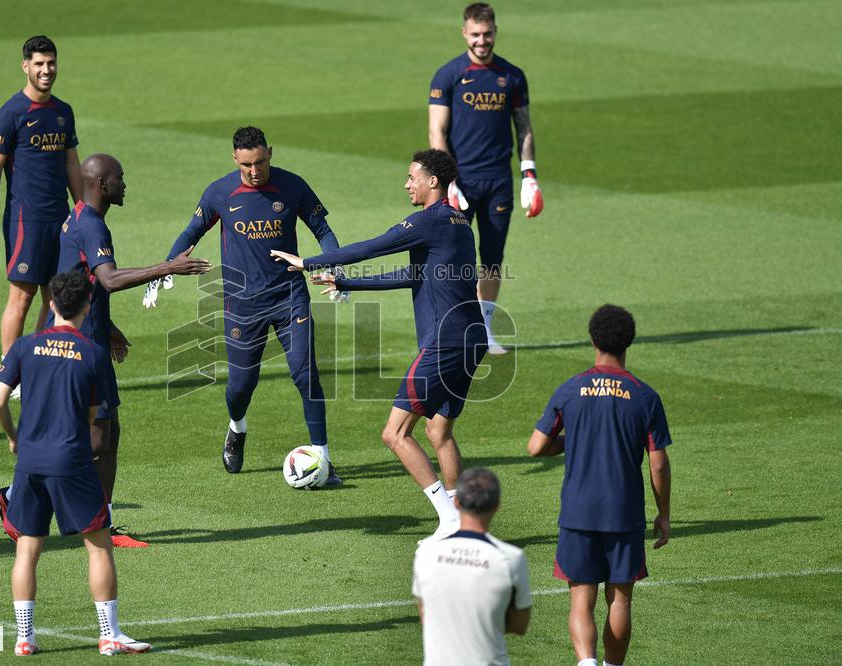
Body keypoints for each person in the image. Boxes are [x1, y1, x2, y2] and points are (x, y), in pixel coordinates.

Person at [0, 154, 212, 549]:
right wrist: (167, 268)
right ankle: (22, 497)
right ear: (103, 184)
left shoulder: (75, 217)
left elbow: (75, 280)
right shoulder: (92, 226)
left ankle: (97, 520)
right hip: (83, 347)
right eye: (120, 179)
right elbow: (107, 279)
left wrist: (107, 326)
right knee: (95, 440)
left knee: (106, 437)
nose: (125, 185)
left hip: (88, 334)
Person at [271, 148, 486, 540]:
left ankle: (450, 520)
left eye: (412, 177)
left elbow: (374, 246)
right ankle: (465, 521)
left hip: (444, 344)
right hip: (472, 340)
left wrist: (311, 262)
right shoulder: (459, 222)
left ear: (432, 181)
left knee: (395, 433)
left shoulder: (429, 220)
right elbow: (413, 273)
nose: (407, 184)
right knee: (439, 433)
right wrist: (347, 282)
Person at [145, 126, 346, 484]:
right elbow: (191, 234)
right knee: (241, 386)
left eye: (261, 162)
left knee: (306, 376)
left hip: (289, 297)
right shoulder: (219, 192)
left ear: (270, 152)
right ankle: (237, 429)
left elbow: (322, 230)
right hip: (242, 304)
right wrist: (163, 271)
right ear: (235, 158)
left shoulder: (292, 185)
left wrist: (335, 265)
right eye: (247, 165)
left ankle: (324, 460)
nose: (255, 171)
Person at [0, 271, 151, 656]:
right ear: (86, 307)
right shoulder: (94, 354)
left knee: (28, 548)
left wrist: (14, 437)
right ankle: (110, 634)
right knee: (98, 547)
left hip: (30, 462)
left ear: (51, 305)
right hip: (72, 460)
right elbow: (94, 419)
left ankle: (25, 638)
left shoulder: (25, 346)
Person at [527, 304, 672, 666]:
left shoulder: (571, 389)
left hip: (578, 510)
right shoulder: (645, 396)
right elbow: (659, 463)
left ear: (592, 339)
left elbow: (535, 446)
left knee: (581, 598)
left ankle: (586, 663)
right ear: (629, 343)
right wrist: (664, 514)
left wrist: (573, 440)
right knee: (620, 600)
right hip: (625, 513)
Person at [428, 3, 543, 354]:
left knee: (492, 257)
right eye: (475, 34)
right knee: (452, 256)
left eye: (487, 34)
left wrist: (529, 174)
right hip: (461, 183)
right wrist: (449, 182)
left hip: (498, 182)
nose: (482, 40)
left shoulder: (512, 76)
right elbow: (437, 130)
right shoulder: (448, 75)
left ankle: (484, 330)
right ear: (464, 33)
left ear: (495, 31)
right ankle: (448, 326)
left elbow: (523, 126)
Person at [0, 35, 83, 391]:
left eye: (51, 63)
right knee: (21, 296)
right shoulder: (10, 114)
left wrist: (82, 210)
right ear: (25, 66)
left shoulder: (62, 112)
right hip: (26, 219)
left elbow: (72, 165)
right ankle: (11, 371)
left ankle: (38, 363)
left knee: (55, 296)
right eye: (39, 64)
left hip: (61, 217)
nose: (46, 70)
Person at [413, 467, 531, 666]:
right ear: (497, 506)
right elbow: (520, 626)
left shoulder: (426, 553)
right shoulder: (511, 557)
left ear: (456, 502)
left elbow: (426, 615)